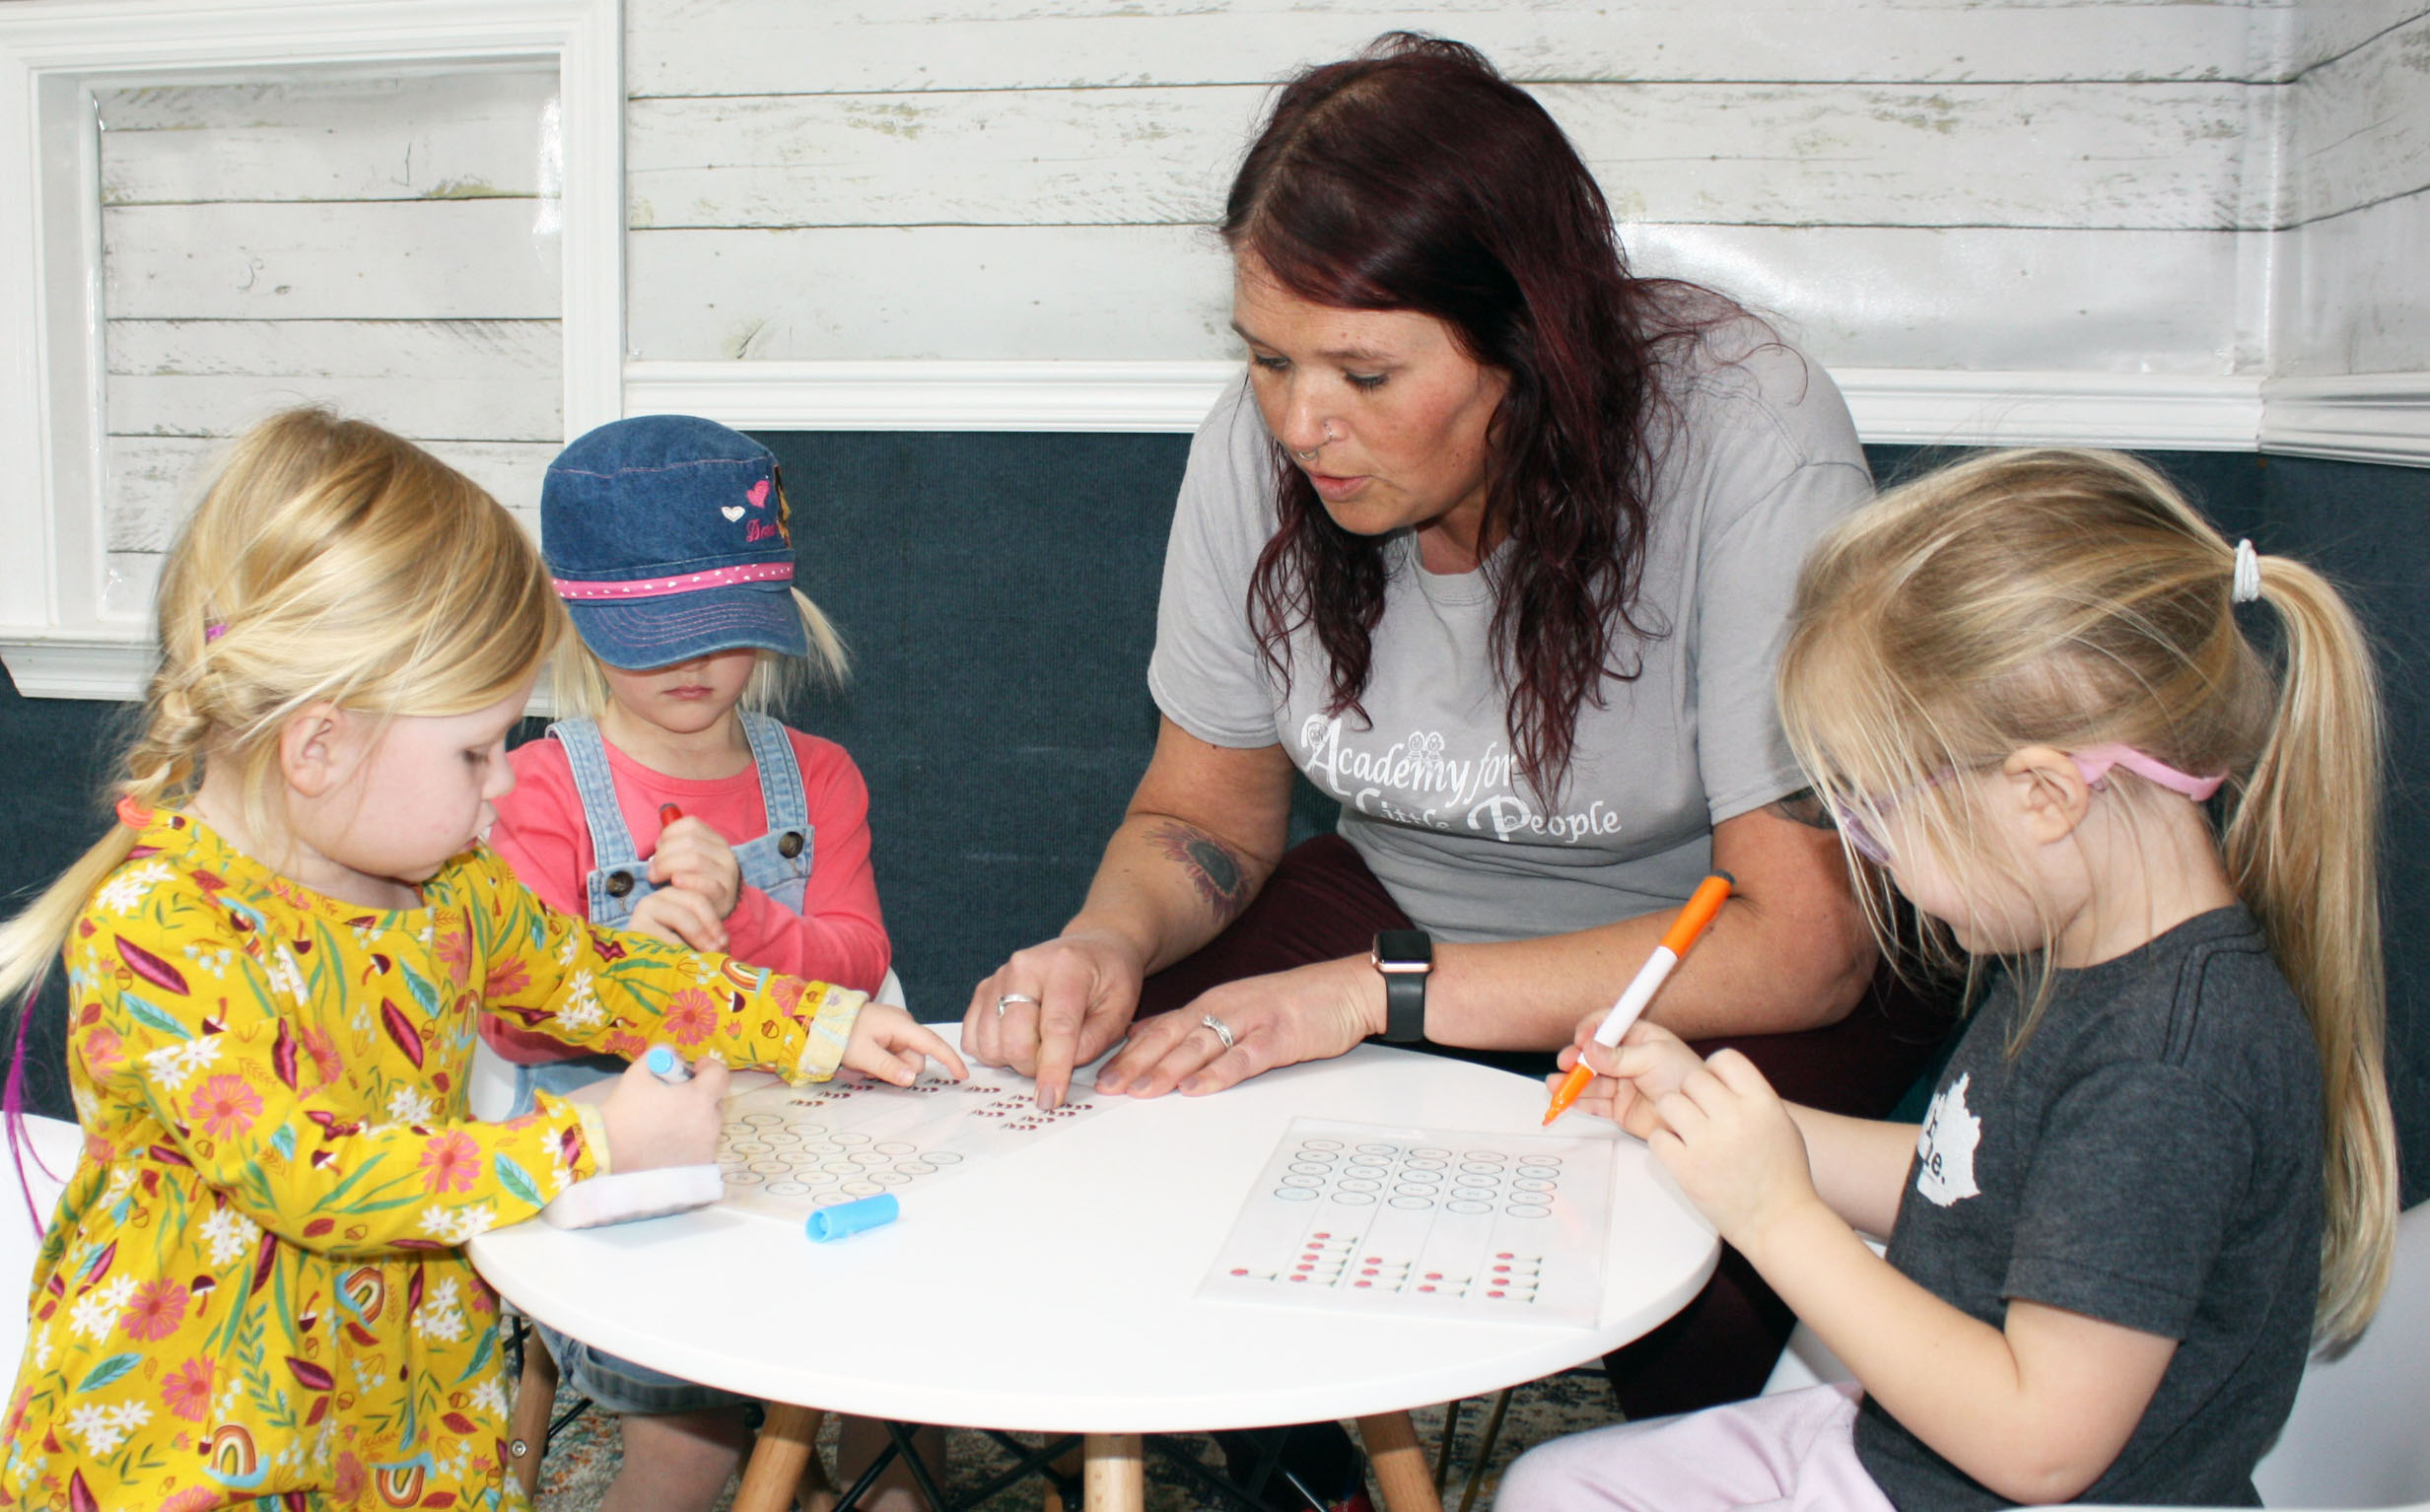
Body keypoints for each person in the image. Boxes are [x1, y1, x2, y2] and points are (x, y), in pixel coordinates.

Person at [964, 30, 1948, 1462]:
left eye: (1365, 371)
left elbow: (1808, 944)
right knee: (1154, 1095)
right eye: (1266, 358)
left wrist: (1378, 994)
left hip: (1717, 938)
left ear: (1529, 346)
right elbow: (1206, 815)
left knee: (1695, 1254)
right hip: (1411, 901)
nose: (1302, 423)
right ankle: (1311, 1471)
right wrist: (1109, 939)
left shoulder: (1745, 430)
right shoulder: (1260, 452)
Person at [0, 409, 960, 1511]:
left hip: (394, 1394)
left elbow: (605, 976)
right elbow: (310, 1176)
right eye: (475, 750)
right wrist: (591, 1140)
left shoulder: (450, 886)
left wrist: (817, 1023)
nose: (505, 783)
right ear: (319, 745)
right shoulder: (157, 929)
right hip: (198, 1426)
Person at [1498, 447, 2401, 1510]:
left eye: (1875, 815)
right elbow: (1968, 1185)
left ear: (2039, 796)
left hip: (2005, 1482)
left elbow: (2039, 1446)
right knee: (1556, 1485)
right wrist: (1699, 1117)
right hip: (1916, 1454)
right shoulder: (2087, 948)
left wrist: (1774, 1214)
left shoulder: (2170, 1069)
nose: (1867, 857)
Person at [483, 414, 912, 1512]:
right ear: (577, 623)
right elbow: (507, 1020)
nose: (691, 662)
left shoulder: (815, 775)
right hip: (628, 1168)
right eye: (652, 633)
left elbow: (858, 962)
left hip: (807, 1135)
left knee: (897, 1392)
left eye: (721, 629)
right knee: (691, 1450)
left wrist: (751, 921)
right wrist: (627, 965)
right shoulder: (537, 787)